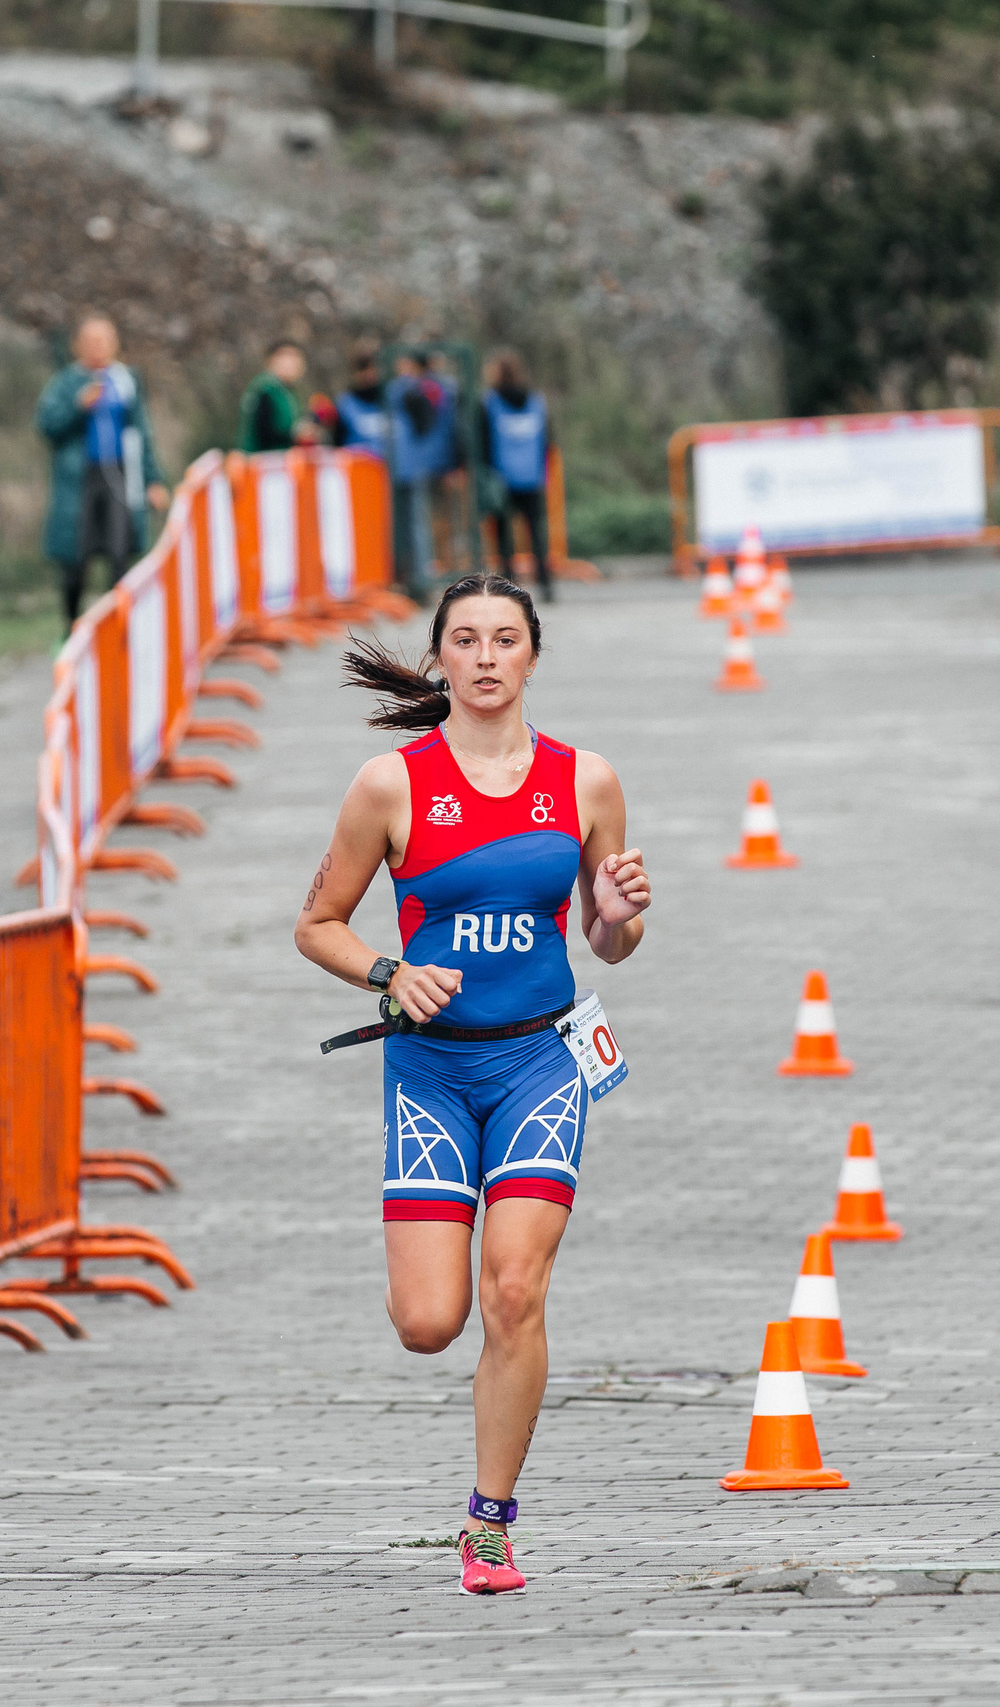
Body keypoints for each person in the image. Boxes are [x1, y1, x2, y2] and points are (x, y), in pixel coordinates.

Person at [293, 576, 652, 1596]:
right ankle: (476, 1483)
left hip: (542, 1060)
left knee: (514, 1289)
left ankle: (489, 1525)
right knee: (428, 1322)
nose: (487, 657)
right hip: (431, 1074)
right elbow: (316, 922)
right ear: (440, 659)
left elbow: (609, 943)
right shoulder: (389, 786)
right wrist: (386, 972)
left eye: (505, 639)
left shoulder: (585, 782)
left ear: (532, 656)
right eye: (466, 640)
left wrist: (621, 911)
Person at [36, 315, 170, 629]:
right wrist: (77, 406)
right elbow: (46, 425)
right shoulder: (66, 382)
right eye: (91, 340)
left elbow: (142, 433)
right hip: (79, 481)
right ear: (77, 345)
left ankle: (119, 629)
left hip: (120, 475)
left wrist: (153, 479)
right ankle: (70, 626)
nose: (98, 346)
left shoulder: (125, 380)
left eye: (104, 339)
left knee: (119, 550)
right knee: (75, 557)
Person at [481, 351, 554, 600]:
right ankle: (546, 583)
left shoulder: (490, 403)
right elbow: (547, 439)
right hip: (532, 476)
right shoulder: (535, 401)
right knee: (536, 534)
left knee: (504, 537)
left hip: (502, 478)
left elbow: (484, 442)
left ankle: (508, 585)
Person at [388, 351, 454, 593]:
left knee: (418, 524)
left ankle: (420, 580)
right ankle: (411, 577)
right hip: (412, 464)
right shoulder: (422, 390)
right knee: (412, 524)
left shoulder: (415, 391)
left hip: (414, 465)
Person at [238, 339, 319, 454]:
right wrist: (296, 435)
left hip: (282, 461)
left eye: (296, 358)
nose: (292, 363)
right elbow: (263, 432)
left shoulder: (286, 391)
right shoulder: (265, 389)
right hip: (263, 463)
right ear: (272, 360)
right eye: (287, 357)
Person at [332, 340, 391, 458]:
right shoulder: (345, 404)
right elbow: (337, 445)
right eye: (363, 368)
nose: (369, 374)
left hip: (391, 473)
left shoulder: (392, 401)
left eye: (373, 368)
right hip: (358, 472)